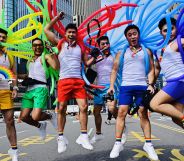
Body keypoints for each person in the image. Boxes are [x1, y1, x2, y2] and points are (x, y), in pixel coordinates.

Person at [44, 12, 95, 153]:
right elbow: (46, 30)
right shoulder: (60, 43)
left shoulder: (81, 47)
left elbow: (87, 63)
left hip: (78, 81)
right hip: (64, 81)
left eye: (74, 32)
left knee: (84, 107)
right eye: (69, 32)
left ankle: (84, 136)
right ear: (65, 34)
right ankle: (61, 138)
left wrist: (95, 57)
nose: (71, 34)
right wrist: (56, 19)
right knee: (61, 109)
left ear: (76, 34)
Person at [108, 25, 158, 160]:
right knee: (121, 112)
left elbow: (151, 70)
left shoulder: (147, 51)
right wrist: (111, 86)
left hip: (142, 86)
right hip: (126, 86)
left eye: (134, 34)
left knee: (143, 114)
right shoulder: (121, 52)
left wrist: (150, 84)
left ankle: (148, 144)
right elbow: (114, 70)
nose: (132, 36)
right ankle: (118, 143)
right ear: (126, 37)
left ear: (138, 34)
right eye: (129, 35)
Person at [19, 38, 59, 140]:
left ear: (43, 46)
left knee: (35, 117)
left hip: (40, 89)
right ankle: (40, 126)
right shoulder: (30, 61)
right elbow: (28, 75)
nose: (38, 47)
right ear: (32, 47)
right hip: (29, 90)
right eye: (35, 45)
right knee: (23, 117)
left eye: (40, 45)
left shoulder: (45, 57)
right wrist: (15, 75)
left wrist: (51, 50)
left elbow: (56, 66)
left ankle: (50, 115)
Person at [150, 18, 184, 129]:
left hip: (179, 81)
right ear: (161, 32)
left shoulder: (179, 42)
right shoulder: (158, 50)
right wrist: (151, 84)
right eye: (165, 31)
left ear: (176, 29)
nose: (169, 32)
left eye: (172, 29)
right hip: (172, 83)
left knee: (154, 104)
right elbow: (157, 68)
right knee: (176, 117)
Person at [89, 36, 119, 144]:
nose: (105, 45)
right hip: (99, 88)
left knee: (111, 109)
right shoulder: (97, 56)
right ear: (99, 46)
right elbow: (87, 65)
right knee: (96, 111)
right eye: (103, 44)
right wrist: (94, 55)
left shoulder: (114, 55)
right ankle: (98, 134)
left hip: (109, 87)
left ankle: (122, 128)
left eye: (107, 43)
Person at [0, 28, 19, 161]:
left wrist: (15, 88)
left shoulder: (9, 56)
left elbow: (14, 74)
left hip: (6, 91)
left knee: (10, 121)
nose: (1, 39)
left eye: (3, 37)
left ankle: (14, 151)